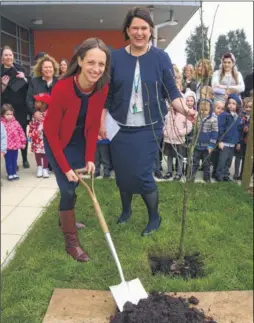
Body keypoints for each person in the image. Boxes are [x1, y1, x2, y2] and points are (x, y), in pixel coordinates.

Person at [100, 7, 197, 236]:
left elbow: (171, 91)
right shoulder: (115, 57)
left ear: (150, 31)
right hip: (119, 126)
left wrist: (185, 110)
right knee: (123, 173)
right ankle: (126, 211)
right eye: (135, 28)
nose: (139, 32)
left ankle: (154, 217)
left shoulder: (160, 57)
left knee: (143, 174)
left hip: (149, 127)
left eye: (144, 28)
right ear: (127, 30)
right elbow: (107, 93)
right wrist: (102, 120)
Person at [43, 38, 110, 262]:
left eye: (101, 64)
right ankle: (71, 242)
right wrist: (65, 168)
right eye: (91, 62)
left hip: (79, 139)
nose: (96, 69)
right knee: (68, 187)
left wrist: (90, 157)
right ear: (80, 60)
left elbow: (92, 127)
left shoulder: (101, 88)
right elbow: (51, 133)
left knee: (74, 185)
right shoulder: (62, 88)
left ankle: (65, 219)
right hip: (57, 141)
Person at [1, 46, 30, 168]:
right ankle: (12, 160)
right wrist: (3, 85)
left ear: (13, 56)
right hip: (6, 108)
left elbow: (28, 86)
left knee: (22, 132)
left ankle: (24, 159)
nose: (8, 57)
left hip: (21, 107)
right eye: (6, 55)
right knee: (8, 135)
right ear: (2, 58)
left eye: (10, 54)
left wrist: (24, 77)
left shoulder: (20, 68)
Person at [215, 93, 243, 182]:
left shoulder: (238, 117)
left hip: (232, 143)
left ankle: (225, 174)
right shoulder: (224, 115)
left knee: (229, 161)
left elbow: (239, 131)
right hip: (224, 143)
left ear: (238, 105)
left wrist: (238, 142)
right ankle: (218, 175)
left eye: (234, 103)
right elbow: (220, 128)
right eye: (229, 103)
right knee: (222, 160)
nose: (231, 105)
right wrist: (220, 141)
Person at [163, 103, 192, 180]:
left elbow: (189, 127)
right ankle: (169, 172)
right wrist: (165, 132)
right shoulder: (168, 114)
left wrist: (181, 132)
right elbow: (164, 124)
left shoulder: (184, 114)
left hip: (179, 140)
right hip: (168, 139)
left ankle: (179, 173)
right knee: (169, 156)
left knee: (179, 157)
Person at [1, 104, 26, 181]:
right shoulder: (2, 124)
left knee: (14, 160)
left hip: (15, 146)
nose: (9, 116)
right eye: (7, 114)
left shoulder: (16, 123)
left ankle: (14, 172)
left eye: (11, 114)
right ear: (3, 114)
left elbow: (21, 132)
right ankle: (10, 174)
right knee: (8, 161)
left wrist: (23, 142)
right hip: (7, 147)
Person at [28, 93, 51, 178]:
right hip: (36, 137)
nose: (35, 103)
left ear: (44, 104)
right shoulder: (35, 114)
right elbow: (32, 124)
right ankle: (39, 167)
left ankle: (45, 168)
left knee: (45, 153)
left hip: (46, 138)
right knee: (37, 153)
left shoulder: (49, 114)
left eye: (37, 102)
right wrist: (30, 134)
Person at [234, 97, 253, 180]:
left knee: (246, 158)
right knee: (238, 157)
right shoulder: (240, 116)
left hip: (249, 141)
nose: (248, 109)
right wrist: (238, 141)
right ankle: (236, 174)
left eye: (250, 107)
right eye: (246, 107)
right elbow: (237, 129)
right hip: (241, 140)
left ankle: (243, 175)